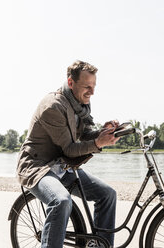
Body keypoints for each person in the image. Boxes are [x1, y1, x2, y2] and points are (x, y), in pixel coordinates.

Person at [16, 60, 119, 248]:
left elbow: (86, 134)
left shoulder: (80, 106)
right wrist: (98, 143)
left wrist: (104, 133)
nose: (92, 91)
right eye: (87, 86)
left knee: (107, 194)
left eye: (94, 86)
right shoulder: (53, 106)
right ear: (70, 83)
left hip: (62, 165)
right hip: (37, 166)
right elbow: (70, 149)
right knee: (61, 200)